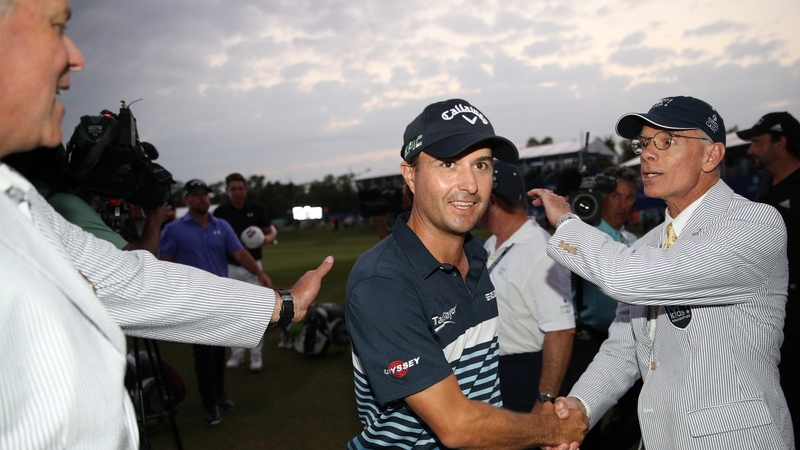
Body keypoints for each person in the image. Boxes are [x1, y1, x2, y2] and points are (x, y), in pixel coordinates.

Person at [0, 0, 333, 446]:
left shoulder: (22, 205)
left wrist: (283, 305)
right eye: (58, 26)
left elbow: (131, 280)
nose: (75, 58)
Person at [531, 96, 793, 449]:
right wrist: (581, 406)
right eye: (644, 143)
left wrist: (567, 222)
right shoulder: (649, 243)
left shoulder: (753, 224)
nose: (647, 154)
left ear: (712, 155)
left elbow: (629, 278)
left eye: (667, 141)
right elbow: (624, 349)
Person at [345, 98, 586, 449]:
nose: (471, 184)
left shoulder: (477, 255)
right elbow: (457, 425)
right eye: (448, 164)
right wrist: (551, 430)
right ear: (410, 174)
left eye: (481, 165)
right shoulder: (382, 282)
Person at [159, 178, 273, 424]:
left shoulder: (221, 225)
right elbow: (163, 264)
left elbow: (239, 253)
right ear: (186, 199)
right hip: (194, 301)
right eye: (196, 194)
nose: (203, 198)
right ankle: (209, 404)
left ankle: (220, 395)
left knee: (219, 351)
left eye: (205, 194)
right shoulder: (175, 229)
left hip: (220, 298)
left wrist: (259, 273)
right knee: (204, 354)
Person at [477, 161, 575, 413]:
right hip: (496, 371)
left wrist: (544, 399)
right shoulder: (491, 244)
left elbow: (561, 332)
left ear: (492, 201)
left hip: (525, 375)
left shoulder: (542, 250)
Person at [560, 165, 642, 448]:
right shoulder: (587, 237)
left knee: (633, 418)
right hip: (587, 342)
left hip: (629, 342)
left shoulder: (634, 242)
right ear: (601, 197)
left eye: (629, 197)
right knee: (584, 422)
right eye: (616, 196)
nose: (622, 204)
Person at [737, 111, 800, 436]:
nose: (750, 150)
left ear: (780, 142)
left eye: (757, 142)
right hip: (771, 317)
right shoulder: (765, 191)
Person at [214, 172, 277, 372]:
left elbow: (270, 232)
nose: (237, 192)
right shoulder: (220, 212)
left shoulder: (257, 209)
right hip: (229, 267)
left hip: (254, 268)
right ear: (227, 190)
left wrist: (265, 239)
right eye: (233, 189)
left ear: (246, 189)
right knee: (232, 312)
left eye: (240, 188)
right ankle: (237, 353)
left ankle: (256, 355)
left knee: (256, 312)